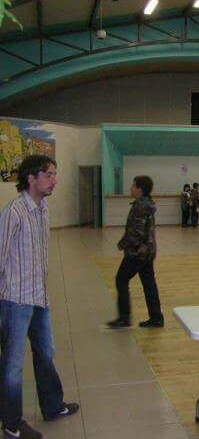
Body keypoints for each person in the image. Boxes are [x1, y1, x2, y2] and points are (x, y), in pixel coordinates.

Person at [0, 155, 79, 439]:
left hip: (39, 298)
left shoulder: (43, 210)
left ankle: (52, 405)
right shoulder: (13, 213)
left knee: (45, 352)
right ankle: (11, 424)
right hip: (15, 301)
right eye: (49, 175)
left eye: (55, 174)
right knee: (12, 364)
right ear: (31, 178)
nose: (54, 180)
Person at [107, 176, 164, 329]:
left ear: (140, 189)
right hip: (147, 251)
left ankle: (124, 318)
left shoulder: (141, 207)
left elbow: (137, 233)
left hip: (138, 252)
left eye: (133, 186)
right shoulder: (146, 204)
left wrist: (123, 243)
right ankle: (156, 318)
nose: (131, 188)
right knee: (149, 284)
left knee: (121, 279)